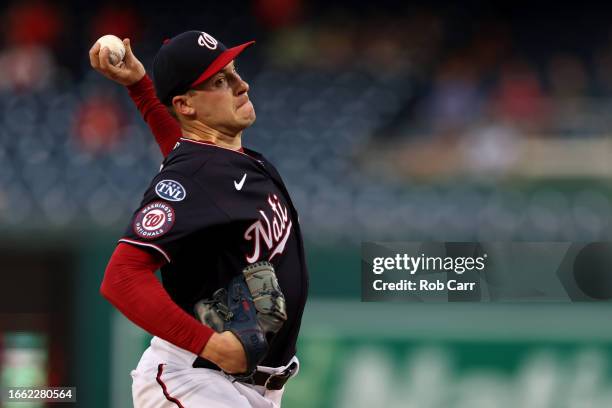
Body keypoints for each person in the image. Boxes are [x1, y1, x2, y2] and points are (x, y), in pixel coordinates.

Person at [90, 31, 309, 408]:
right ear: (186, 105)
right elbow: (122, 278)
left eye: (235, 72)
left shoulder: (217, 160)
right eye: (221, 81)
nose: (242, 85)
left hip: (252, 387)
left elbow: (186, 150)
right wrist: (209, 343)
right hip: (196, 378)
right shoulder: (193, 175)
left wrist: (142, 88)